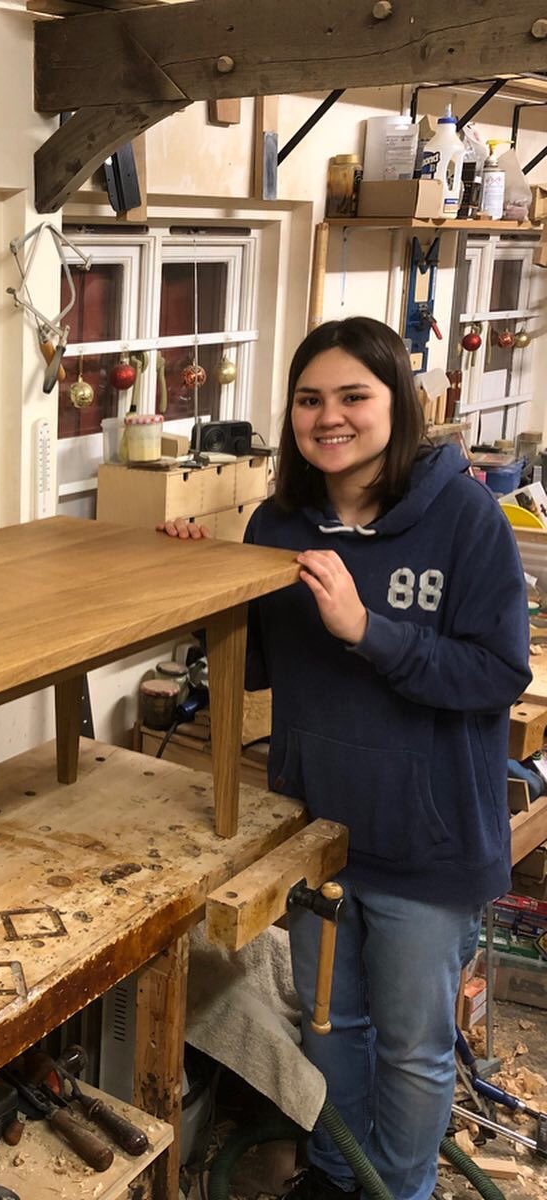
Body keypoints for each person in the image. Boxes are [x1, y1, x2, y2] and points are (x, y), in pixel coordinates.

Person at [161, 316, 531, 1200]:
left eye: (353, 397)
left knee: (412, 1045)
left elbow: (495, 673)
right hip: (317, 830)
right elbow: (253, 665)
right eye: (308, 400)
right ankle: (334, 1173)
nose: (330, 418)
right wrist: (198, 596)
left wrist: (370, 632)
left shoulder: (464, 518)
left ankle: (395, 1189)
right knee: (330, 1026)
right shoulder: (279, 521)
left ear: (395, 404)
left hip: (424, 845)